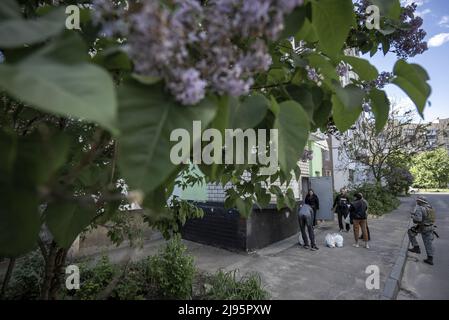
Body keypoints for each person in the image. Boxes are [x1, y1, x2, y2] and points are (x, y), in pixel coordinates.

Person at [408, 196, 435, 265]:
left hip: (423, 227)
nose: (416, 201)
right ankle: (429, 258)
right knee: (428, 242)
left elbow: (418, 220)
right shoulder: (429, 207)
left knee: (411, 232)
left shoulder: (420, 208)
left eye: (417, 200)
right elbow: (427, 216)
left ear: (420, 202)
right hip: (431, 226)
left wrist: (413, 216)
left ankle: (416, 248)